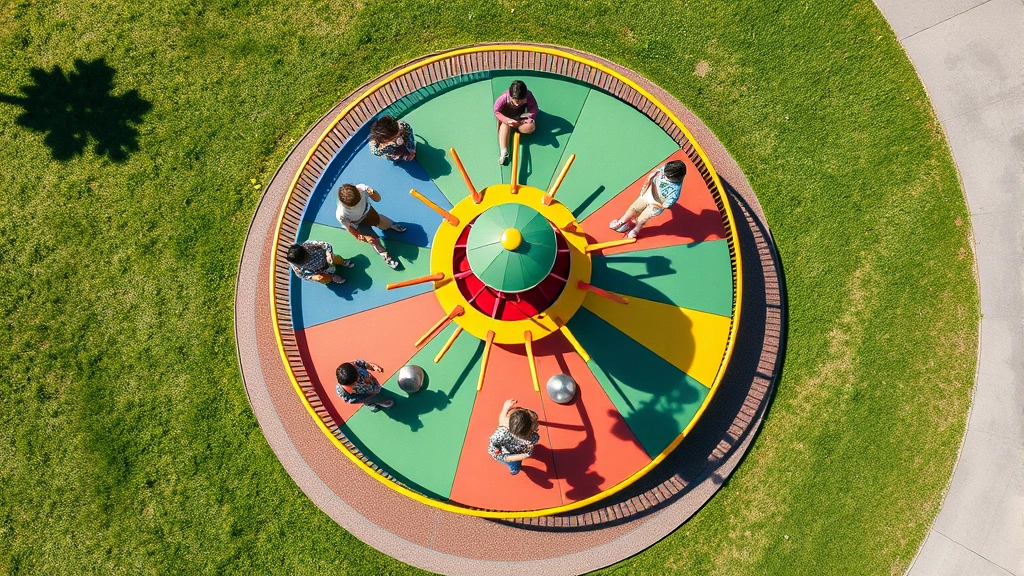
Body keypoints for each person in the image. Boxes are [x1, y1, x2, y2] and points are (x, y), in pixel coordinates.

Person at [609, 159, 687, 239]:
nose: (663, 175)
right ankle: (621, 222)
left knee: (642, 218)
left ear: (674, 179)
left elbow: (666, 205)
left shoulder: (675, 191)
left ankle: (635, 231)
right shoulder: (666, 169)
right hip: (648, 193)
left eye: (665, 176)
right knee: (634, 208)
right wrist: (645, 186)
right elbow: (653, 174)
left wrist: (656, 203)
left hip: (657, 204)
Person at [335, 183, 406, 269]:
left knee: (382, 221)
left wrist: (373, 193)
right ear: (345, 204)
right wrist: (358, 235)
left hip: (368, 212)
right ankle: (385, 256)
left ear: (358, 191)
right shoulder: (341, 214)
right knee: (373, 241)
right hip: (358, 224)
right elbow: (349, 227)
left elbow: (378, 199)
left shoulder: (362, 189)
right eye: (353, 206)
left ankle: (390, 225)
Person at [487, 399, 540, 475]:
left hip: (503, 450)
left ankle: (515, 467)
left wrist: (505, 408)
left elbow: (502, 420)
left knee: (512, 460)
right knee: (515, 463)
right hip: (511, 455)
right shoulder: (531, 438)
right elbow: (506, 457)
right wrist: (525, 455)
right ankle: (515, 468)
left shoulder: (502, 430)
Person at [493, 80, 538, 165]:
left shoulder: (529, 96)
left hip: (520, 118)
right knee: (503, 126)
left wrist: (529, 118)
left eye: (520, 101)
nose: (517, 104)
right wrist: (507, 120)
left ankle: (518, 128)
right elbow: (496, 111)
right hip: (507, 120)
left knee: (531, 127)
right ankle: (504, 152)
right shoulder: (503, 98)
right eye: (515, 101)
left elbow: (534, 108)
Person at [286, 240, 353, 284]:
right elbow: (302, 275)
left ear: (304, 249)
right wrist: (313, 277)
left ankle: (343, 262)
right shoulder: (296, 267)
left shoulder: (308, 245)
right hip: (318, 270)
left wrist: (328, 254)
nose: (308, 259)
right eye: (305, 261)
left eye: (307, 256)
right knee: (322, 278)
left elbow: (326, 245)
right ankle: (333, 278)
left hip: (325, 259)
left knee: (336, 258)